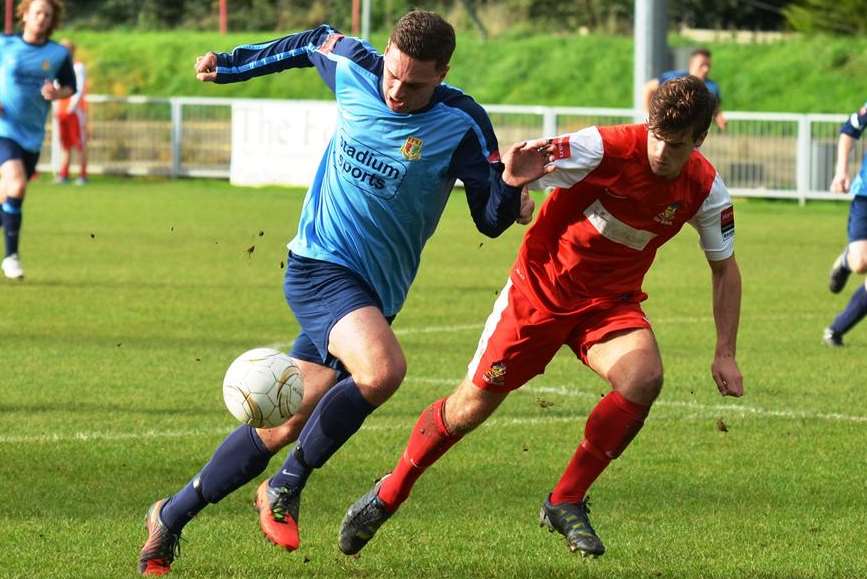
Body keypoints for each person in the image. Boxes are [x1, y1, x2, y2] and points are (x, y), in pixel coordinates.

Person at [137, 10, 549, 576]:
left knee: (283, 420)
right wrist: (230, 65)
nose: (398, 91)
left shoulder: (461, 122)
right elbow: (306, 42)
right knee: (381, 372)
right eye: (395, 75)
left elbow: (489, 218)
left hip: (376, 294)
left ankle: (169, 517)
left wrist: (510, 187)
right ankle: (286, 485)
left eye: (416, 83)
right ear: (387, 53)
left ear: (444, 72)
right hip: (318, 266)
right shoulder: (354, 66)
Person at [338, 75, 744, 559]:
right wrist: (515, 188)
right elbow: (519, 163)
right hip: (539, 293)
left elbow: (724, 269)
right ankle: (391, 492)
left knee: (644, 377)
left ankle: (565, 499)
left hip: (608, 305)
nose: (661, 152)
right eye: (656, 136)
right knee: (469, 408)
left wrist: (725, 352)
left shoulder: (705, 189)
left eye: (675, 145)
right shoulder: (603, 148)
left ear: (699, 140)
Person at [0, 0, 76, 279]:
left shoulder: (56, 54)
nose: (42, 18)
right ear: (25, 16)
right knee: (17, 185)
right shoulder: (5, 45)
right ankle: (11, 257)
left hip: (32, 135)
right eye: (38, 13)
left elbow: (70, 86)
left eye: (48, 14)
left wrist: (57, 94)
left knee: (9, 197)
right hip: (3, 129)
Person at [823, 102, 867, 347]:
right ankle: (847, 258)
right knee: (861, 263)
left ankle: (835, 330)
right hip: (866, 196)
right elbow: (849, 130)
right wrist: (841, 171)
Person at [643, 48, 726, 131]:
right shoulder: (676, 78)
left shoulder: (712, 86)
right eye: (702, 65)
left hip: (695, 134)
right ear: (692, 64)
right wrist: (649, 114)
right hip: (670, 128)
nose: (706, 69)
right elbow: (649, 87)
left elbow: (715, 108)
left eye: (708, 66)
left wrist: (718, 117)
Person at [54, 39, 88, 185]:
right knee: (65, 144)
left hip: (74, 111)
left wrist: (71, 107)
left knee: (79, 143)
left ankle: (82, 175)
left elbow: (78, 89)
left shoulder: (78, 67)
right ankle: (64, 174)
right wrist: (56, 108)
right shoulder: (57, 68)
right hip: (61, 111)